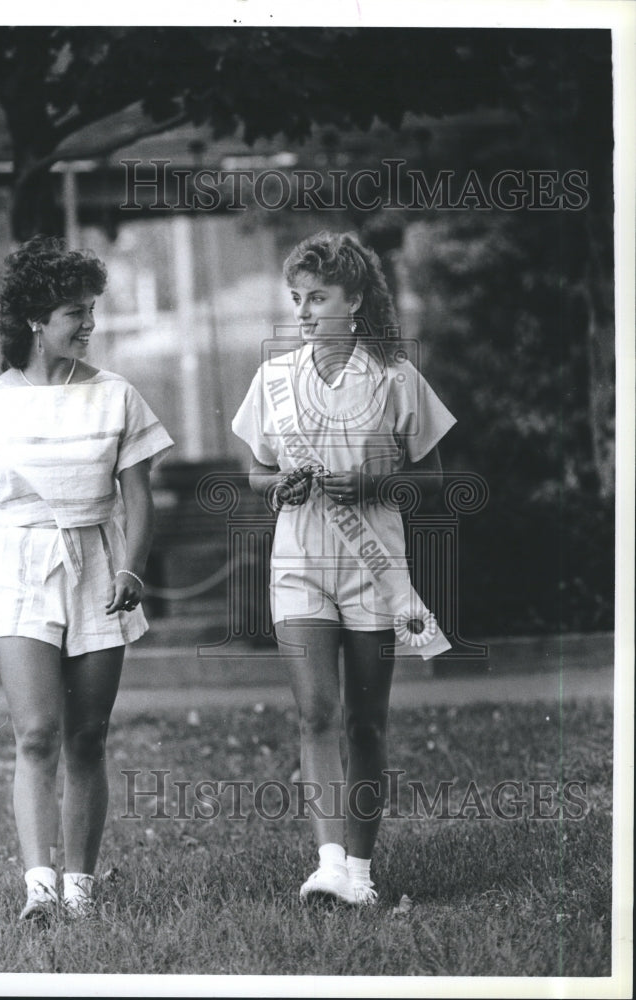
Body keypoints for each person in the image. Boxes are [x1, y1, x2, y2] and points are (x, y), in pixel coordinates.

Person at [0, 235, 173, 921]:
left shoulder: (116, 397)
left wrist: (130, 566)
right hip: (18, 574)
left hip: (99, 569)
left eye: (91, 310)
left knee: (86, 735)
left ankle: (80, 889)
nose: (90, 324)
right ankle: (38, 886)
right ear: (37, 319)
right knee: (36, 733)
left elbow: (139, 498)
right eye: (76, 311)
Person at [232, 231, 456, 906]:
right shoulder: (273, 376)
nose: (302, 310)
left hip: (373, 563)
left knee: (365, 721)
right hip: (299, 561)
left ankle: (360, 871)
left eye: (318, 297)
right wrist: (278, 485)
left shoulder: (394, 376)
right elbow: (254, 471)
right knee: (315, 713)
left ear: (355, 300)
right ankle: (329, 864)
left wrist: (370, 482)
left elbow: (435, 479)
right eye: (296, 297)